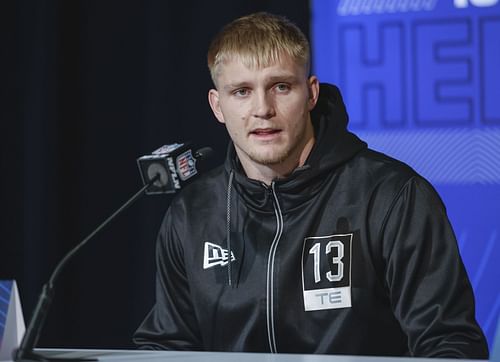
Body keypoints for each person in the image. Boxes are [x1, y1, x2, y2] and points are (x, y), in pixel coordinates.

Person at [133, 12, 489, 358]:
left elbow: (450, 345)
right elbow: (167, 347)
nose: (263, 108)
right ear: (217, 106)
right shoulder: (192, 214)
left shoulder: (392, 196)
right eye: (241, 91)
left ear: (311, 93)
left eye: (281, 87)